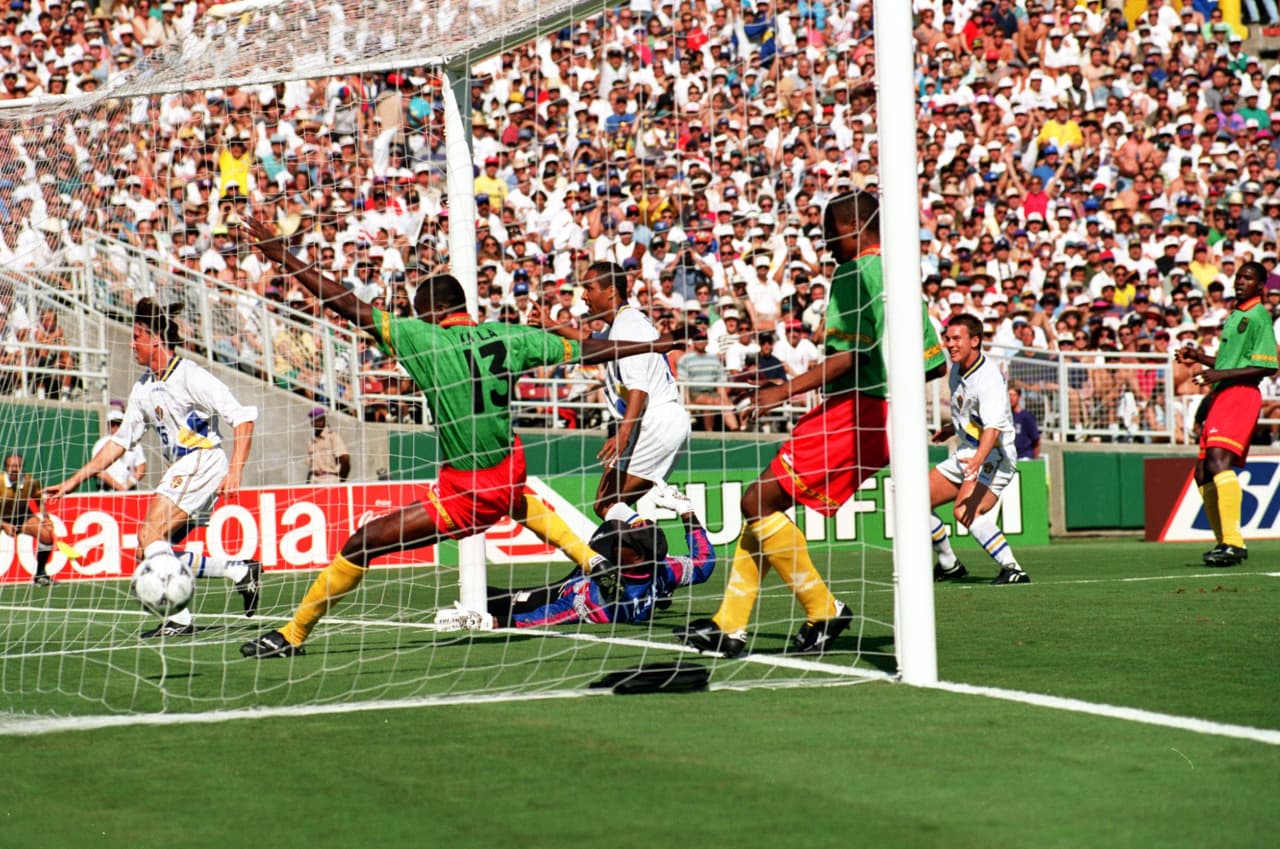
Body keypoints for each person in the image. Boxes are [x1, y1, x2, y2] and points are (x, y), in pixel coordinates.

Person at [239, 218, 679, 658]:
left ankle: (291, 635)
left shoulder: (422, 338)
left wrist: (282, 255)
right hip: (509, 469)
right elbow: (588, 350)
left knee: (361, 543)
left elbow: (346, 303)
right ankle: (591, 558)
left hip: (468, 488)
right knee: (515, 498)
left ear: (429, 312)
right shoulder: (512, 337)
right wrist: (651, 347)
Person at [676, 191, 947, 658]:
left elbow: (846, 357)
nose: (826, 245)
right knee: (761, 503)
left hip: (854, 409)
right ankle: (730, 623)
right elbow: (935, 366)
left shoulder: (853, 274)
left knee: (756, 500)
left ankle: (822, 609)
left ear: (848, 229)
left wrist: (781, 390)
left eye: (828, 234)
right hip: (888, 416)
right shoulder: (903, 274)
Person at [44, 299, 262, 637]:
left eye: (136, 337)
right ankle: (238, 570)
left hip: (202, 460)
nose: (131, 344)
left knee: (148, 536)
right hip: (186, 467)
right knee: (147, 550)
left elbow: (243, 417)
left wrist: (236, 470)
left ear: (155, 339)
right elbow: (119, 442)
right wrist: (74, 481)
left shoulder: (190, 375)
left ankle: (180, 619)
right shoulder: (143, 388)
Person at [536, 261, 692, 520]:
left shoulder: (628, 326)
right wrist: (550, 324)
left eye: (589, 288)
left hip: (656, 421)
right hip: (650, 422)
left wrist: (623, 433)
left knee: (610, 506)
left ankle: (672, 506)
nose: (583, 295)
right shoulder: (621, 324)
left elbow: (639, 388)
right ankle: (646, 546)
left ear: (611, 291)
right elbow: (590, 343)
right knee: (605, 506)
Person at [441, 488, 714, 629]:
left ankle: (482, 597)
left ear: (635, 558)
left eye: (626, 540)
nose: (620, 537)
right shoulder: (665, 567)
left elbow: (547, 617)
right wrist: (686, 510)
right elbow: (704, 562)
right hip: (604, 575)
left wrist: (491, 623)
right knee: (611, 521)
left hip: (569, 589)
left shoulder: (602, 602)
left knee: (515, 600)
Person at [1175, 261, 1279, 566]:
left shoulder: (1259, 316)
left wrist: (1218, 376)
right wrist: (1199, 357)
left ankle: (1234, 542)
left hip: (1241, 395)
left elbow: (1268, 366)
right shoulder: (1236, 316)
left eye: (1247, 278)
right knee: (1202, 471)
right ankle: (1223, 543)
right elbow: (1226, 362)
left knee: (1219, 461)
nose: (1240, 282)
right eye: (1238, 277)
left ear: (1260, 285)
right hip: (1223, 395)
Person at [929, 314, 1031, 586]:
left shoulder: (988, 379)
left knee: (965, 512)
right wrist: (952, 429)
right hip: (968, 451)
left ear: (975, 341)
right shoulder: (956, 371)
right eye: (947, 339)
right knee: (912, 503)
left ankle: (1013, 568)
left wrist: (977, 459)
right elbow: (970, 415)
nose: (949, 344)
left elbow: (993, 429)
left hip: (994, 454)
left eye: (956, 339)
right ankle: (949, 563)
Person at [0, 454, 56, 586]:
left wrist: (46, 518)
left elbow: (39, 501)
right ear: (5, 468)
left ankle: (41, 575)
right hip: (1, 518)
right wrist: (4, 525)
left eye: (18, 466)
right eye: (11, 466)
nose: (14, 469)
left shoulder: (29, 481)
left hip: (21, 516)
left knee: (46, 536)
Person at [91, 406, 147, 491]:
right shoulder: (100, 444)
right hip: (107, 491)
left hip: (129, 490)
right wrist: (118, 486)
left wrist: (128, 484)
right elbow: (98, 470)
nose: (116, 427)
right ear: (108, 426)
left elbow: (141, 467)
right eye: (113, 424)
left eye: (119, 424)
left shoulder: (134, 443)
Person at [305, 407, 350, 484]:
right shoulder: (312, 441)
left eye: (319, 420)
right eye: (314, 420)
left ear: (324, 420)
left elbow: (345, 459)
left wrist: (340, 480)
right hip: (313, 480)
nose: (317, 423)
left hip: (328, 479)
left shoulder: (332, 437)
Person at [1009, 386, 1041, 461]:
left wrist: (1034, 461)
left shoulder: (1026, 416)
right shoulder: (1007, 417)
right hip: (1011, 457)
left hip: (1024, 456)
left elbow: (1036, 440)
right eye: (1009, 395)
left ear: (1019, 397)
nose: (1011, 398)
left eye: (1013, 395)